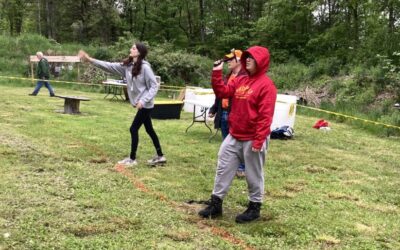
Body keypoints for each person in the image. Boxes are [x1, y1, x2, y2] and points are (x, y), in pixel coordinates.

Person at [198, 46, 277, 223]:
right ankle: (216, 204)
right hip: (235, 135)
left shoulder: (266, 85)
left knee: (253, 173)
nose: (247, 59)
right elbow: (223, 92)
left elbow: (266, 116)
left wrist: (258, 140)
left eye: (252, 58)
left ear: (261, 61)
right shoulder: (240, 80)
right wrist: (216, 73)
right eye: (246, 57)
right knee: (223, 166)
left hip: (253, 137)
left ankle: (254, 207)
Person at [78, 42, 166, 166]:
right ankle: (160, 156)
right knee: (149, 129)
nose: (131, 49)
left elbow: (154, 86)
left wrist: (143, 100)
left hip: (146, 105)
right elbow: (108, 66)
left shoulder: (145, 67)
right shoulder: (128, 66)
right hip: (141, 104)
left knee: (133, 128)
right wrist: (90, 60)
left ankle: (132, 159)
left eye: (134, 48)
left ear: (139, 52)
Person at [208, 49, 247, 178]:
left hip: (234, 114)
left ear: (239, 61)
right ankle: (231, 166)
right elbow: (219, 94)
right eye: (228, 59)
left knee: (238, 142)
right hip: (223, 112)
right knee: (227, 142)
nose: (228, 61)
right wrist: (214, 109)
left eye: (231, 59)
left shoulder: (244, 77)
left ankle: (241, 168)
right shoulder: (228, 76)